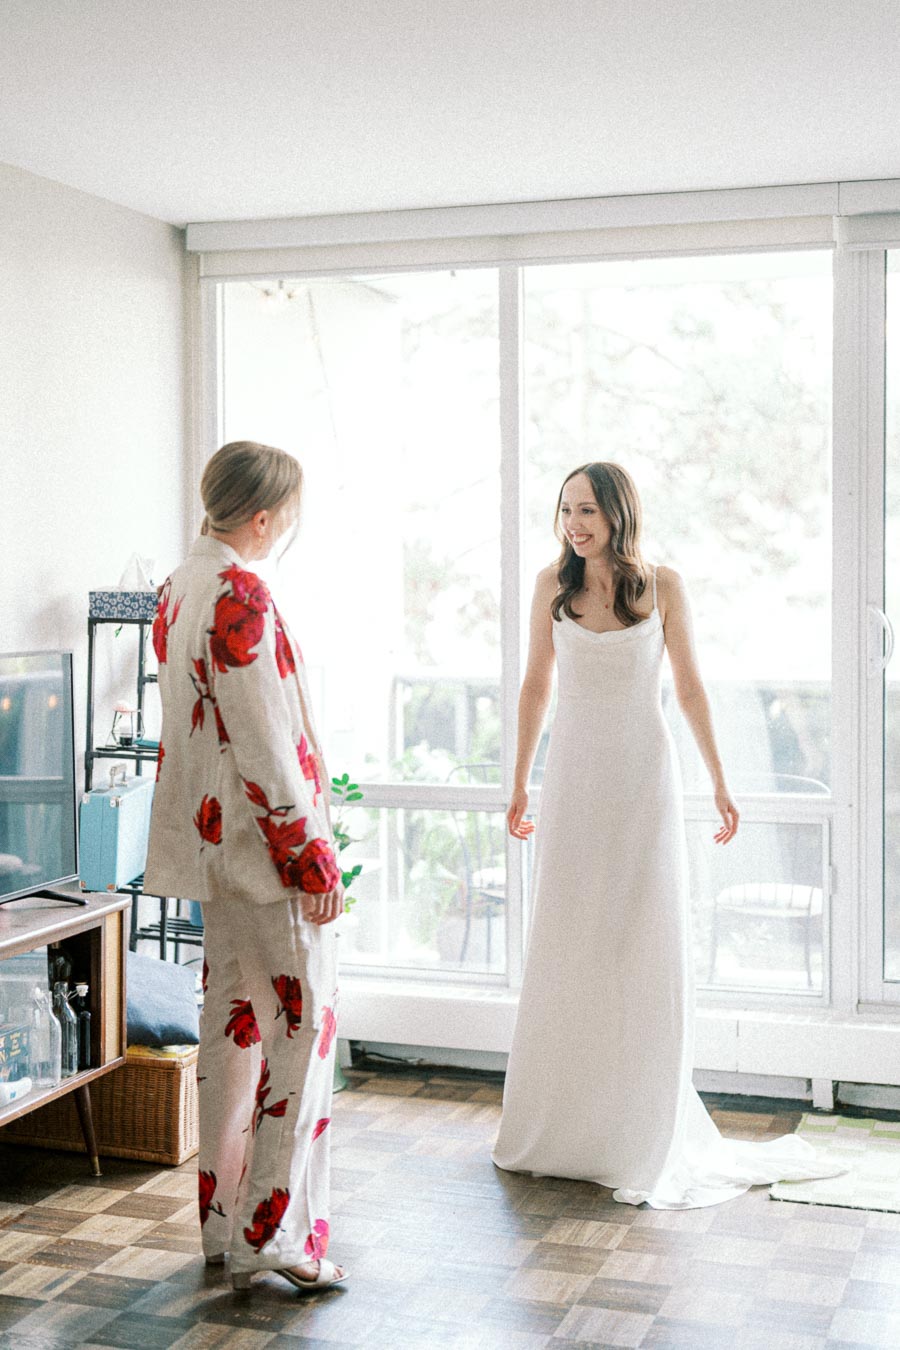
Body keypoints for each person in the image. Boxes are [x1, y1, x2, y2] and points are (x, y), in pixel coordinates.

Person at [491, 461, 844, 1208]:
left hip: (644, 780)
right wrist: (519, 780)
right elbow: (534, 685)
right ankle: (563, 1128)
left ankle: (637, 1130)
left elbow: (688, 686)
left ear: (619, 512)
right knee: (570, 936)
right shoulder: (550, 588)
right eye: (565, 511)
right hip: (576, 779)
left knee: (640, 939)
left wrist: (719, 779)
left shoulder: (664, 585)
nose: (574, 524)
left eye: (586, 509)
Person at [144, 441, 348, 1289]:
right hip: (264, 859)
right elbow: (265, 744)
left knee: (232, 1038)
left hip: (211, 851)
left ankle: (227, 1228)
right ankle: (276, 1233)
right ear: (263, 519)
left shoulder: (178, 587)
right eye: (287, 517)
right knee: (301, 1038)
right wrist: (312, 859)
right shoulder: (241, 593)